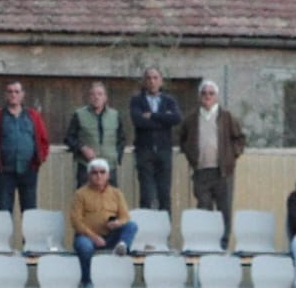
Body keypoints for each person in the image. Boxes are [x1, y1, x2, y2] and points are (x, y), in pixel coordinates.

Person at [181, 81, 246, 247]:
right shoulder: (191, 118)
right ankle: (206, 244)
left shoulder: (227, 117)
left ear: (216, 96)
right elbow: (183, 139)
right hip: (201, 172)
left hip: (223, 172)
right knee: (204, 209)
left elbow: (239, 139)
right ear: (199, 96)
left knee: (224, 210)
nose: (207, 96)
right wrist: (192, 156)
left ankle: (223, 245)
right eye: (204, 93)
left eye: (211, 93)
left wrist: (232, 155)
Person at [68, 159, 137, 288]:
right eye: (94, 173)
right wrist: (93, 237)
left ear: (108, 175)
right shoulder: (80, 194)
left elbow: (125, 216)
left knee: (132, 226)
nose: (98, 176)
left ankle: (122, 246)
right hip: (88, 237)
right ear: (89, 175)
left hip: (110, 236)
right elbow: (76, 222)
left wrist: (117, 223)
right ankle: (88, 282)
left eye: (102, 172)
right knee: (84, 247)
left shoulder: (116, 193)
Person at [0, 80, 49, 214]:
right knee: (4, 210)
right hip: (4, 172)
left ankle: (28, 231)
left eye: (17, 92)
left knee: (30, 211)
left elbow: (43, 140)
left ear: (22, 94)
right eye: (10, 91)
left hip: (29, 170)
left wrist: (40, 159)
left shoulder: (33, 116)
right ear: (5, 94)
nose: (13, 95)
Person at [128, 67, 182, 212]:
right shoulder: (137, 100)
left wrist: (152, 115)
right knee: (146, 194)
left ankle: (165, 226)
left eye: (155, 78)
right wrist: (164, 121)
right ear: (144, 81)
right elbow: (138, 121)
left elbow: (176, 118)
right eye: (149, 78)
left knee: (164, 194)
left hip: (164, 151)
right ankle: (146, 226)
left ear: (161, 81)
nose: (152, 81)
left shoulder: (169, 100)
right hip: (144, 152)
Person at [64, 80, 125, 188]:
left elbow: (122, 139)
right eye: (93, 94)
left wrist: (116, 157)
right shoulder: (79, 115)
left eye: (100, 94)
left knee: (111, 197)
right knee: (85, 196)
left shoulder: (115, 115)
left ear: (105, 97)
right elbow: (69, 138)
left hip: (109, 166)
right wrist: (82, 148)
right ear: (89, 97)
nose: (96, 97)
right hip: (87, 166)